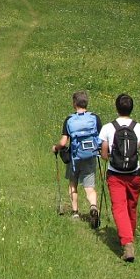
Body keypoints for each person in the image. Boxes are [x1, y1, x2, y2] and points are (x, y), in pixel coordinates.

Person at [99, 93, 140, 262]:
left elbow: (104, 155)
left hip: (115, 174)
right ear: (132, 108)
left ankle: (127, 242)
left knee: (119, 207)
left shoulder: (108, 127)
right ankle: (129, 238)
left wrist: (110, 156)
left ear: (116, 108)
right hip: (134, 174)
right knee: (131, 206)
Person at [51, 90, 101, 228]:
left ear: (74, 104)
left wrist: (55, 148)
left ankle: (75, 212)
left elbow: (63, 143)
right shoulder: (95, 118)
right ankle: (93, 206)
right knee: (90, 187)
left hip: (75, 157)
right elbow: (100, 138)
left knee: (73, 183)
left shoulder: (69, 120)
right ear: (87, 103)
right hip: (90, 156)